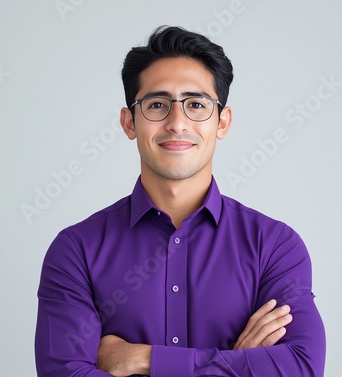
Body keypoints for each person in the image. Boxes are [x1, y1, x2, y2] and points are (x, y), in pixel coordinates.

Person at [34, 26, 326, 376]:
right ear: (129, 122)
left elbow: (302, 368)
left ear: (222, 122)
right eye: (157, 104)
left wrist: (145, 359)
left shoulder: (274, 247)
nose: (177, 123)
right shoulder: (76, 250)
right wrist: (235, 364)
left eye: (196, 105)